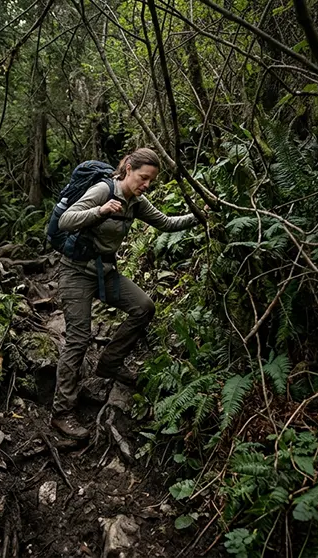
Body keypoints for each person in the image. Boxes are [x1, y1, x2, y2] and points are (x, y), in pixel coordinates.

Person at [51, 147, 200, 439]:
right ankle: (62, 412)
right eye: (143, 177)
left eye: (151, 181)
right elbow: (65, 220)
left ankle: (109, 364)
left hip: (105, 273)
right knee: (79, 339)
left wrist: (199, 214)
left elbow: (167, 223)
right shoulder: (103, 190)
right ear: (128, 168)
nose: (147, 184)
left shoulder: (136, 202)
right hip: (75, 272)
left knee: (144, 307)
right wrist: (101, 210)